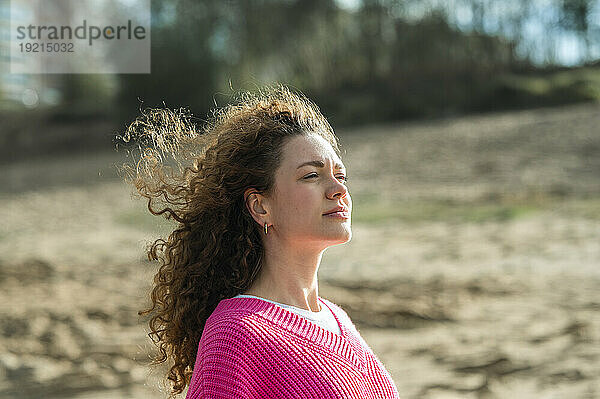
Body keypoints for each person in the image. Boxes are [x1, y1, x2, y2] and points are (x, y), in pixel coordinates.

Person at [118, 84, 400, 398]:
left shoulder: (338, 319)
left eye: (340, 175)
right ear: (260, 206)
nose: (338, 190)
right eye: (311, 176)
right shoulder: (235, 334)